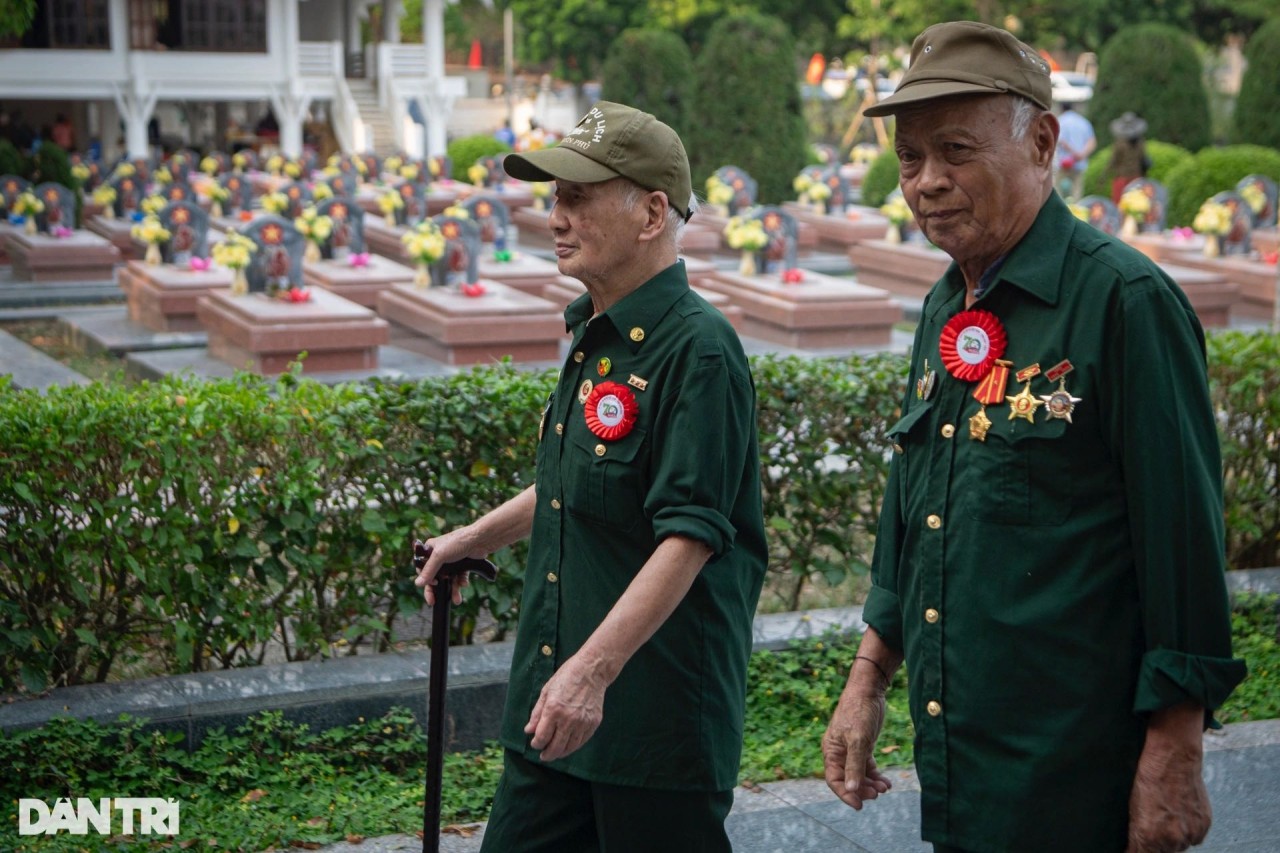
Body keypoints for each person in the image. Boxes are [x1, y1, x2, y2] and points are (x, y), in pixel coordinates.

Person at [821, 21, 1246, 853]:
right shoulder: (949, 306)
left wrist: (1175, 748)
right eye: (911, 159)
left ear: (1043, 142)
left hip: (1076, 775)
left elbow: (1184, 540)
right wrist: (868, 675)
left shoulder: (1125, 302)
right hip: (963, 764)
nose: (928, 182)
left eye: (956, 150)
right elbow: (918, 507)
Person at [414, 100, 767, 852]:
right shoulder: (596, 334)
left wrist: (591, 674)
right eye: (554, 197)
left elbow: (690, 537)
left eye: (578, 196)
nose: (556, 217)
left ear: (651, 213)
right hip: (555, 706)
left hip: (649, 724)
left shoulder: (699, 352)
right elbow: (577, 481)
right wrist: (475, 536)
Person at [1053, 101, 1094, 200]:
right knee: (1077, 193)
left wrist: (1073, 153)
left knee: (1058, 191)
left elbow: (1060, 141)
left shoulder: (1060, 121)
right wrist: (1081, 155)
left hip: (1063, 162)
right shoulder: (1083, 121)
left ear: (1061, 109)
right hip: (1079, 163)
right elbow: (1092, 141)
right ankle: (1076, 212)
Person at [1107, 110, 1149, 204]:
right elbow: (1143, 157)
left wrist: (1106, 173)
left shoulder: (1119, 143)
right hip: (1137, 176)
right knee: (1137, 202)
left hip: (1122, 177)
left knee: (1119, 203)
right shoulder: (1140, 142)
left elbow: (1114, 160)